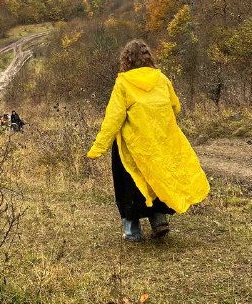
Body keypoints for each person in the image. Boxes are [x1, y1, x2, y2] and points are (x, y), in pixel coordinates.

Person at [87, 39, 210, 242]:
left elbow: (113, 118)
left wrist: (98, 147)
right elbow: (175, 107)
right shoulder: (162, 79)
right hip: (158, 141)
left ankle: (132, 231)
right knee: (157, 178)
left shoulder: (123, 83)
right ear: (148, 57)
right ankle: (158, 219)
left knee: (129, 184)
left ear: (125, 59)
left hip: (132, 145)